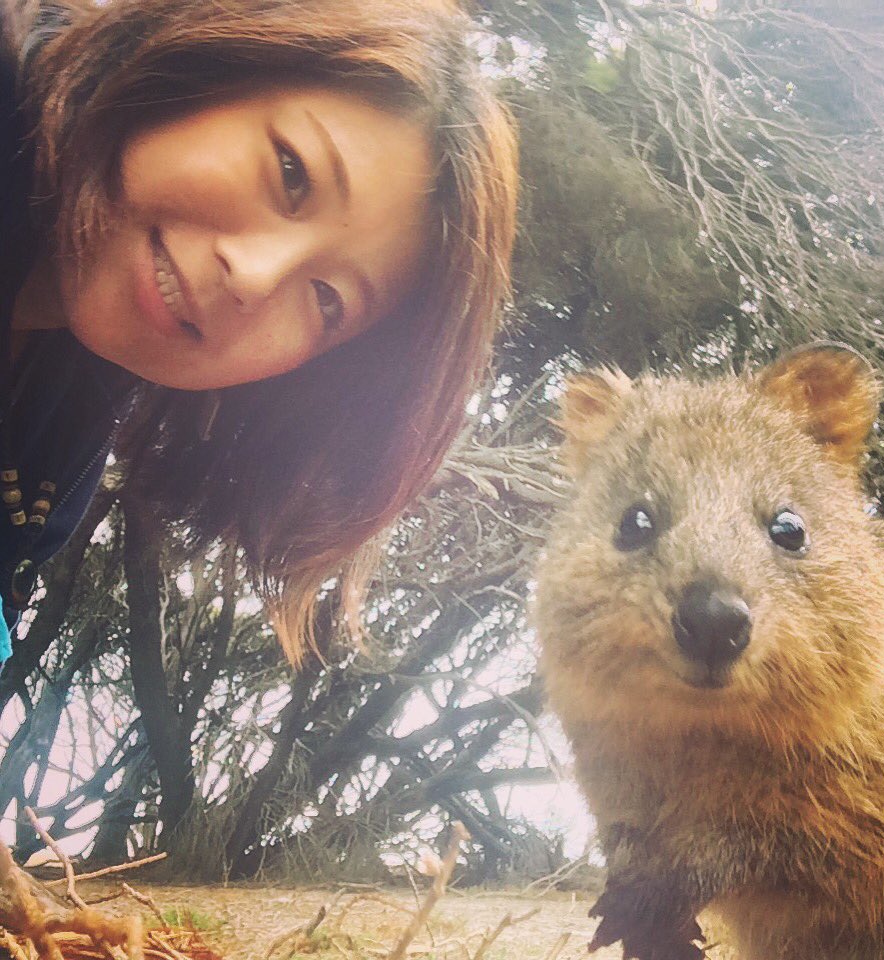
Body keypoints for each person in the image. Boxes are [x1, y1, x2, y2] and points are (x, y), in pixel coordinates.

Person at [0, 0, 517, 666]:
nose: (254, 275)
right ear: (208, 49)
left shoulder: (62, 438)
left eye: (328, 302)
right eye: (291, 172)